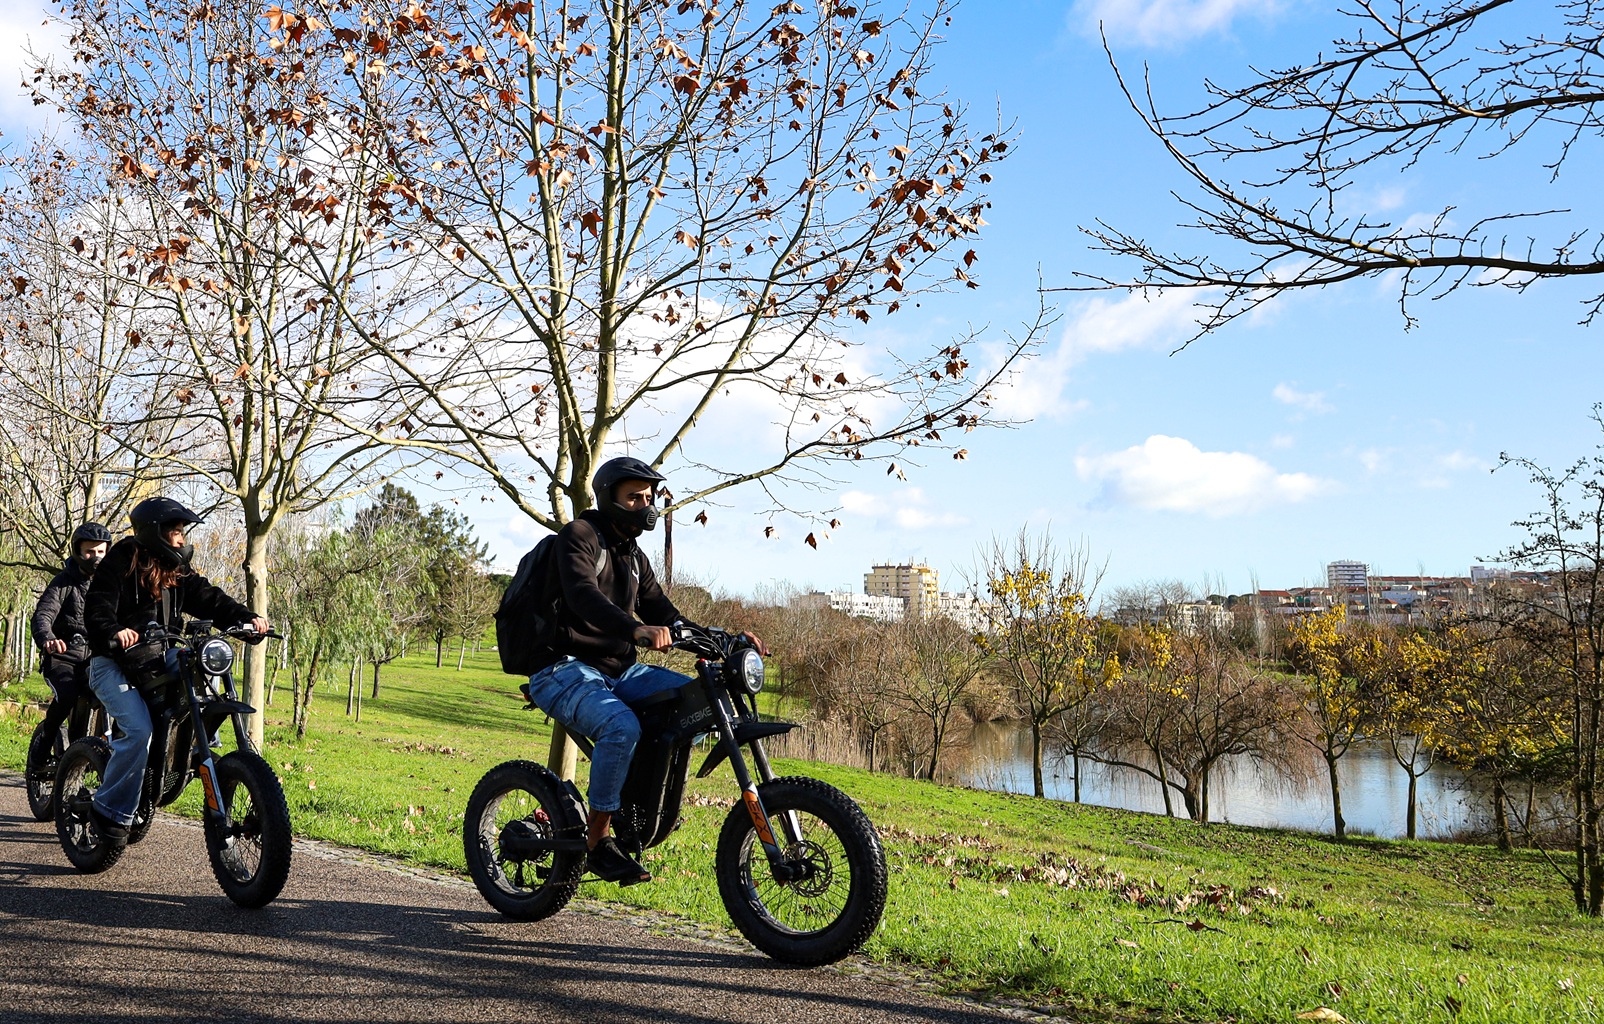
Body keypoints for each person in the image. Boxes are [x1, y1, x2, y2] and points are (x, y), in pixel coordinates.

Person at [524, 456, 766, 885]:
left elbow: (668, 615)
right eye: (634, 497)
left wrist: (727, 640)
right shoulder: (579, 536)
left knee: (699, 700)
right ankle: (598, 838)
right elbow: (581, 595)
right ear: (608, 499)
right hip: (561, 669)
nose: (646, 504)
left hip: (618, 672)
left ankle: (642, 805)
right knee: (621, 727)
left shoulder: (634, 557)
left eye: (649, 496)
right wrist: (634, 628)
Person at [82, 497, 269, 847]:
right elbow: (97, 608)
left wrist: (245, 618)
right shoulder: (120, 561)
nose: (183, 540)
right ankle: (109, 812)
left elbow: (210, 598)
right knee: (139, 731)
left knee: (198, 666)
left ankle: (203, 742)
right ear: (155, 533)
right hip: (111, 664)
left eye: (183, 533)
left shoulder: (176, 570)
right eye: (177, 533)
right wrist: (113, 632)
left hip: (155, 659)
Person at [28, 522, 115, 777]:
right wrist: (48, 639)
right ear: (78, 551)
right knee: (66, 694)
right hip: (63, 657)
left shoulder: (113, 585)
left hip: (99, 658)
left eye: (101, 552)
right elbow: (43, 615)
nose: (96, 558)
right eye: (90, 552)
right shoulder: (63, 582)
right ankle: (42, 747)